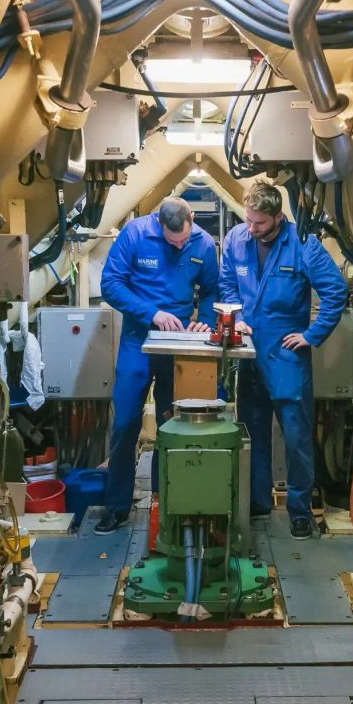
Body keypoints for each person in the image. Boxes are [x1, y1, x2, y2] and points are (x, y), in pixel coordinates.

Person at [220, 183, 346, 540]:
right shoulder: (235, 239)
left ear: (278, 217)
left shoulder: (303, 244)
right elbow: (227, 283)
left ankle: (299, 510)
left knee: (296, 438)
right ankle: (257, 502)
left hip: (287, 355)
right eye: (248, 220)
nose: (252, 228)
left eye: (259, 223)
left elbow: (336, 291)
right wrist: (238, 314)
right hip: (249, 352)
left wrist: (312, 334)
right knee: (252, 432)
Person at [96, 197, 219, 533]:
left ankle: (166, 503)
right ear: (158, 224)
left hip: (178, 342)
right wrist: (151, 313)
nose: (179, 245)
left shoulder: (204, 244)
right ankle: (117, 506)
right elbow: (110, 285)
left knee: (173, 424)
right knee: (125, 424)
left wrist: (204, 320)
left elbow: (211, 289)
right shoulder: (135, 234)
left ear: (191, 219)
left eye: (183, 239)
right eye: (171, 241)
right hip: (139, 337)